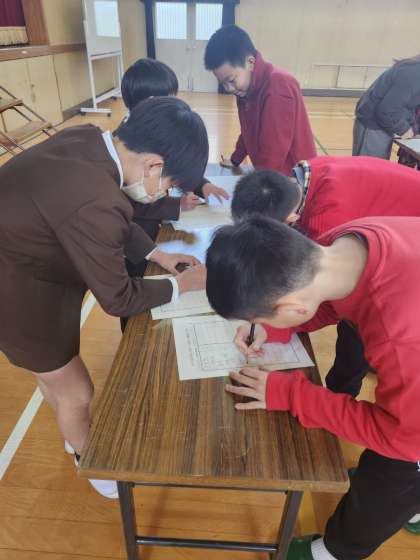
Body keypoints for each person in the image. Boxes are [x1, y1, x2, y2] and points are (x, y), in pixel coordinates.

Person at [0, 96, 208, 499]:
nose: (166, 191)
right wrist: (183, 285)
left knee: (54, 378)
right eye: (170, 184)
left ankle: (71, 432)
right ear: (154, 166)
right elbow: (118, 297)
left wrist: (157, 254)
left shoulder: (89, 140)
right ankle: (88, 457)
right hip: (15, 293)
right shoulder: (95, 199)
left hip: (28, 269)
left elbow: (116, 221)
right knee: (76, 391)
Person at [205, 216, 420, 559]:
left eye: (258, 319)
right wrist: (274, 328)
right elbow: (330, 302)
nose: (256, 325)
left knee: (393, 475)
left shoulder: (400, 338)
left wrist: (291, 394)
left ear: (292, 307)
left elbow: (404, 440)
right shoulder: (342, 244)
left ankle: (334, 552)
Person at [231, 156, 420, 396]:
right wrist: (272, 327)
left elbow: (330, 303)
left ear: (289, 220)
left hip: (406, 251)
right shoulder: (302, 179)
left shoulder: (329, 220)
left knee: (357, 337)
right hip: (398, 231)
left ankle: (343, 392)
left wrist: (276, 327)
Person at [121, 58, 229, 225]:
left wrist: (203, 186)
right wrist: (176, 205)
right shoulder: (126, 147)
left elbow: (177, 164)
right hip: (142, 228)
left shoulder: (160, 127)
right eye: (168, 100)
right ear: (150, 102)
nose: (174, 105)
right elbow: (131, 202)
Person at [204, 24, 316, 175]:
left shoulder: (278, 87)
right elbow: (247, 131)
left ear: (250, 63)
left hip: (293, 177)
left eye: (231, 80)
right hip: (271, 173)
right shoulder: (244, 90)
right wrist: (236, 159)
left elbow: (273, 153)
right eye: (223, 83)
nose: (228, 88)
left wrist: (258, 183)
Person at [353, 54, 420, 158]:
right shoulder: (414, 73)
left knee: (378, 165)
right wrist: (404, 129)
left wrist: (414, 129)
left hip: (383, 126)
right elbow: (387, 110)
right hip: (373, 125)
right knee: (369, 166)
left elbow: (408, 107)